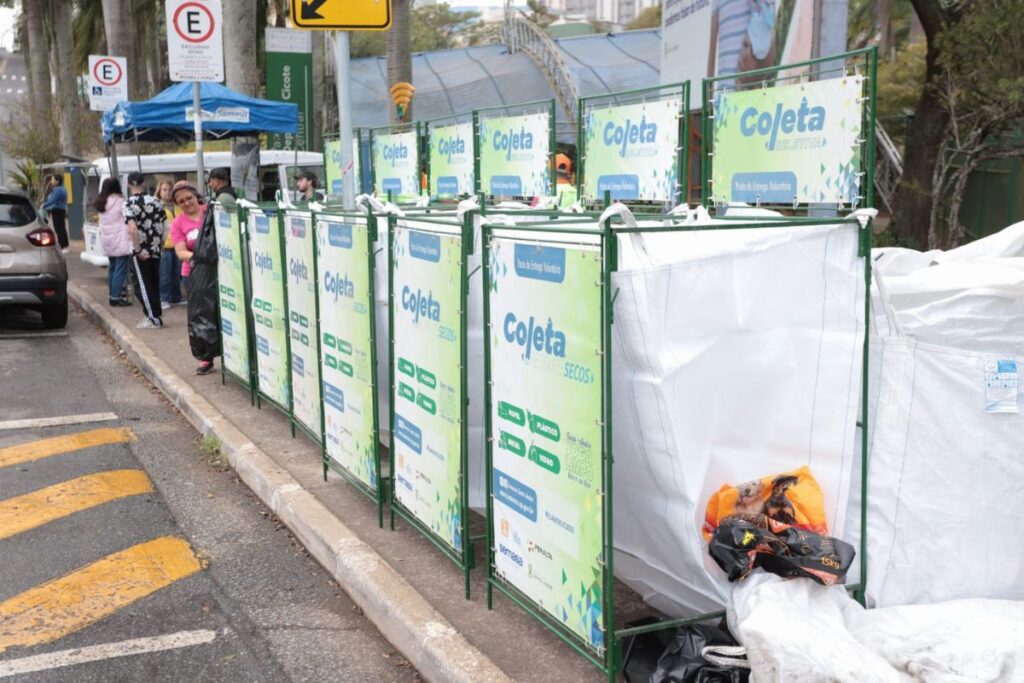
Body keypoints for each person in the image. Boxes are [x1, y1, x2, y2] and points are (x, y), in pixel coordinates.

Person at [170, 181, 218, 375]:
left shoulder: (211, 212)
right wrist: (200, 257)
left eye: (189, 198)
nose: (186, 203)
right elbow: (181, 252)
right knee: (201, 316)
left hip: (219, 271)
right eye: (181, 201)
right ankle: (206, 358)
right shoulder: (178, 223)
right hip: (194, 275)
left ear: (196, 196)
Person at [123, 172, 166, 329]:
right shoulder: (157, 201)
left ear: (129, 184)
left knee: (142, 284)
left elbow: (132, 228)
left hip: (140, 250)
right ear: (144, 183)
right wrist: (160, 243)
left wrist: (138, 249)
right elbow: (164, 225)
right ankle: (156, 313)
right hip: (155, 247)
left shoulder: (128, 204)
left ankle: (152, 318)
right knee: (154, 282)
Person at [94, 178, 132, 307]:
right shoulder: (121, 201)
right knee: (120, 269)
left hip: (107, 239)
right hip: (120, 239)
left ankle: (112, 294)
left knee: (113, 268)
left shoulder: (101, 202)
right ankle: (115, 297)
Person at [156, 180, 183, 308]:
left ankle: (175, 297)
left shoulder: (178, 206)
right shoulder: (157, 206)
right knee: (165, 274)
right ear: (159, 192)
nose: (167, 193)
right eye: (164, 190)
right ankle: (164, 298)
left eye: (169, 190)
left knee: (176, 273)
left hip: (178, 244)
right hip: (164, 245)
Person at [41, 174, 69, 252]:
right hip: (59, 210)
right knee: (61, 228)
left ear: (57, 181)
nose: (51, 181)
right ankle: (64, 245)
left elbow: (52, 200)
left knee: (59, 228)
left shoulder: (58, 190)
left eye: (53, 180)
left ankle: (63, 246)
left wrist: (44, 205)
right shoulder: (60, 188)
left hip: (58, 210)